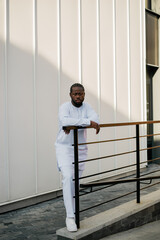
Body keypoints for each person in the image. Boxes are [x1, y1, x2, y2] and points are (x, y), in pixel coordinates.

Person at [55, 83, 100, 232]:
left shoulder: (87, 107)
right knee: (68, 178)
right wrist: (87, 123)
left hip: (80, 150)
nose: (78, 96)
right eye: (75, 94)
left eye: (80, 94)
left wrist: (74, 125)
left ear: (84, 94)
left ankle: (73, 213)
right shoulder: (64, 107)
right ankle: (70, 217)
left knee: (75, 183)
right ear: (70, 95)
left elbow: (97, 120)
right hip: (65, 148)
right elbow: (65, 121)